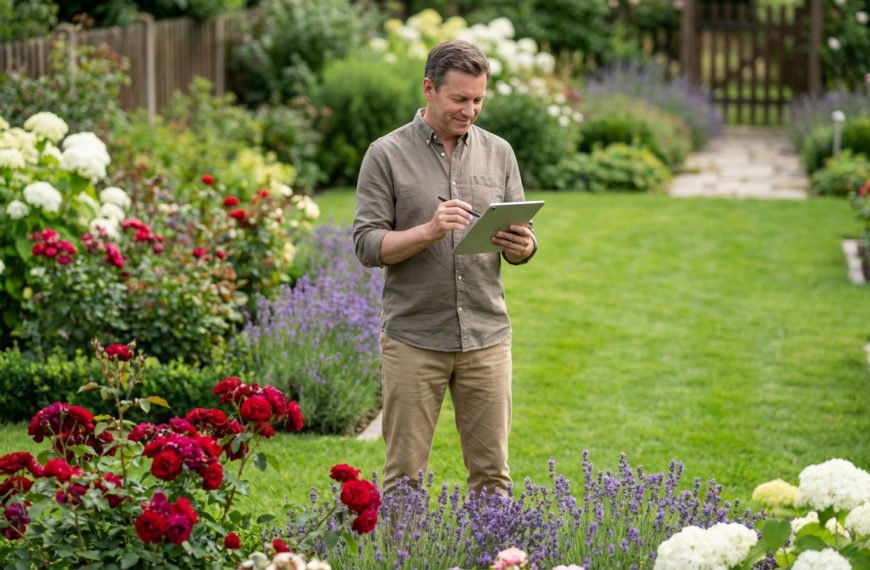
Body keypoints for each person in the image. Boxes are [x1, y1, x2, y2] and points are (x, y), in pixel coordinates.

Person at [352, 39, 537, 496]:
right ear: (429, 88)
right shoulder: (386, 154)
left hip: (486, 336)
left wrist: (523, 246)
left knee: (493, 477)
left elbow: (521, 240)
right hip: (414, 338)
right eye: (459, 99)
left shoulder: (499, 152)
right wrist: (428, 231)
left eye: (478, 100)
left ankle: (496, 545)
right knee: (404, 480)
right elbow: (367, 244)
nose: (470, 111)